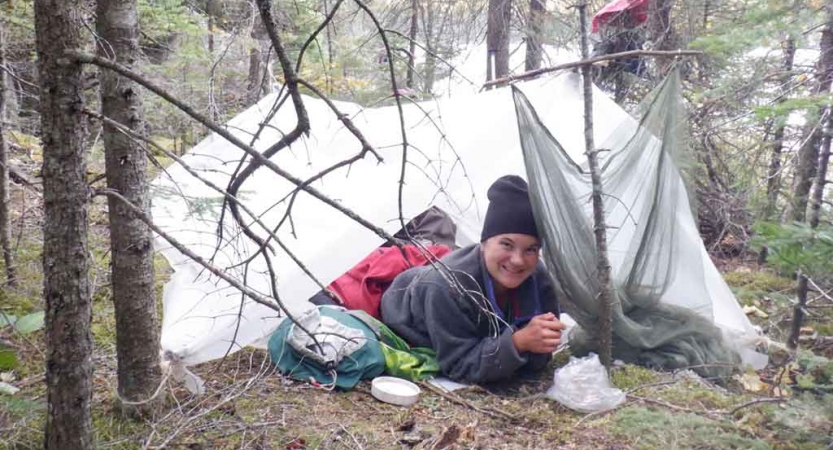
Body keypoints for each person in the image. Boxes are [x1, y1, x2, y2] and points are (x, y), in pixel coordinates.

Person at [380, 175, 565, 384]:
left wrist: (537, 343)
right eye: (506, 244)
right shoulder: (446, 286)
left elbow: (539, 357)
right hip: (407, 315)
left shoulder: (537, 276)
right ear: (484, 242)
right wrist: (517, 343)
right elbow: (458, 365)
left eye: (531, 249)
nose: (518, 260)